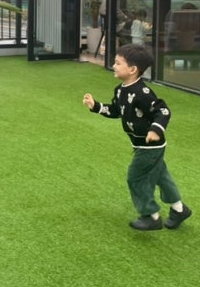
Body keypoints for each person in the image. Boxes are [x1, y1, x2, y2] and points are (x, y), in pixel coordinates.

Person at [82, 43, 192, 231]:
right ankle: (179, 209)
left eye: (118, 63)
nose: (113, 66)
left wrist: (155, 130)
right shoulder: (120, 90)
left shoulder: (142, 92)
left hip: (149, 146)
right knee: (161, 176)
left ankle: (151, 216)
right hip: (140, 144)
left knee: (136, 178)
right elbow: (116, 110)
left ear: (132, 70)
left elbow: (163, 111)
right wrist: (96, 106)